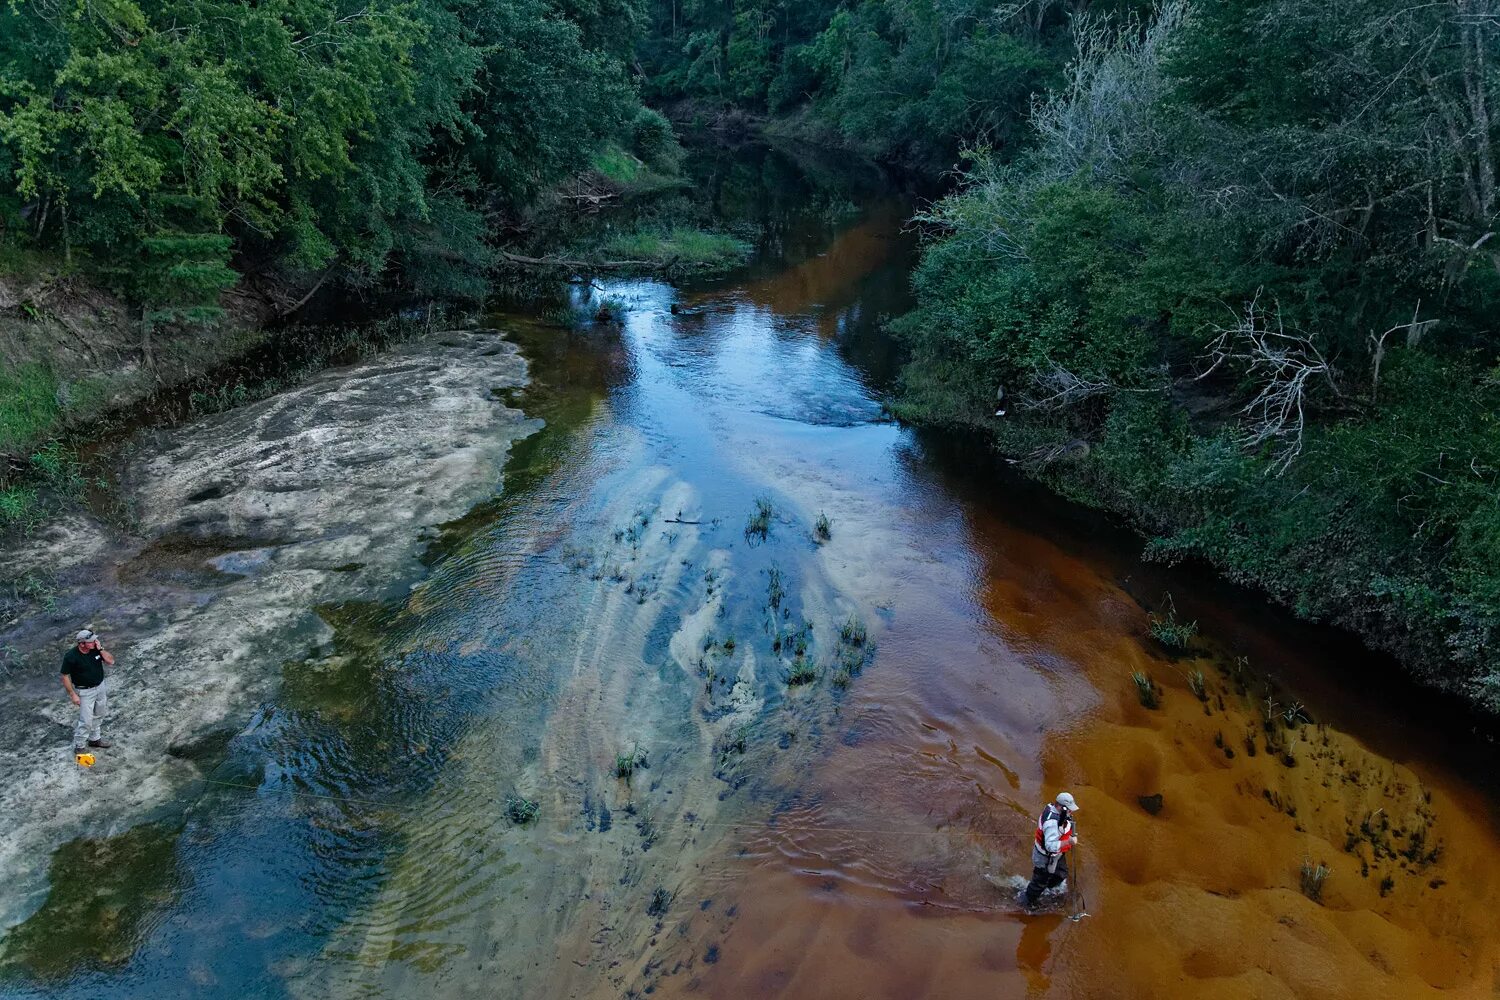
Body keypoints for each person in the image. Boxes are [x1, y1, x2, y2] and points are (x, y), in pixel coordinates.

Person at [61, 628, 114, 752]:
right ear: (82, 643)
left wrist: (100, 649)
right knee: (86, 720)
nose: (95, 641)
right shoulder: (71, 656)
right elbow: (64, 676)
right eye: (91, 641)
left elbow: (111, 661)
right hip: (85, 691)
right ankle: (79, 746)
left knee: (99, 714)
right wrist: (72, 694)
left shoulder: (96, 649)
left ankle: (95, 739)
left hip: (100, 687)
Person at [1024, 791, 1079, 908]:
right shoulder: (1051, 823)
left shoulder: (1057, 811)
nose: (1071, 811)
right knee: (1038, 883)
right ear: (1060, 807)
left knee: (1061, 874)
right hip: (1045, 857)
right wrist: (1068, 841)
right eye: (1069, 809)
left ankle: (1049, 889)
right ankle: (1028, 903)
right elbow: (1050, 846)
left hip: (1057, 854)